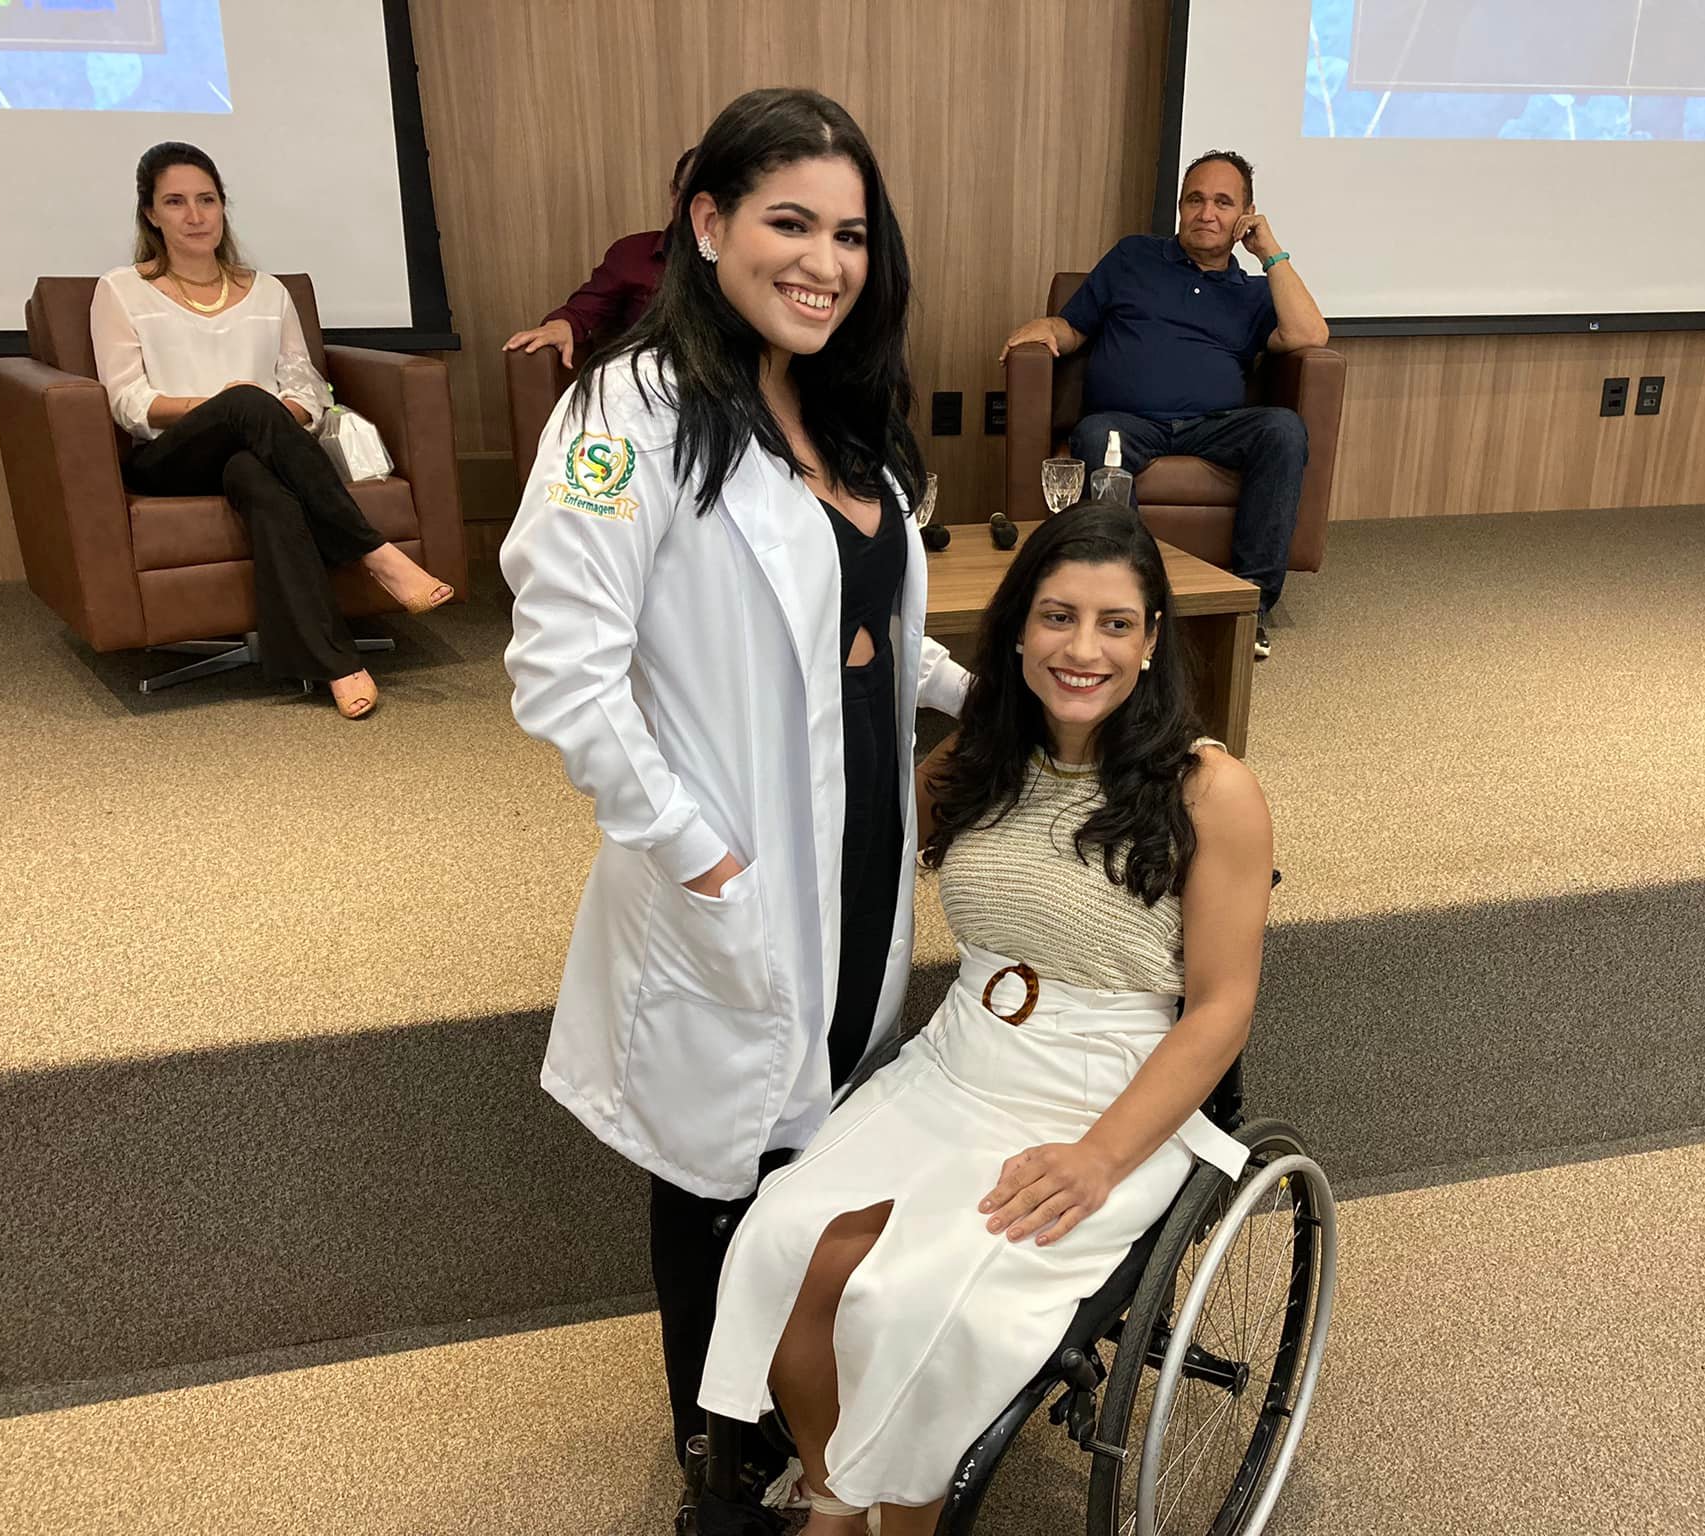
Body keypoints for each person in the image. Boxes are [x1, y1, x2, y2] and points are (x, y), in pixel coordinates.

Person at [498, 88, 969, 1476]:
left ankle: (803, 1430)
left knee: (822, 1147)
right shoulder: (625, 411)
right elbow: (561, 670)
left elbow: (871, 626)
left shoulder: (841, 406)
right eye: (789, 224)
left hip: (862, 836)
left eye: (850, 235)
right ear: (706, 224)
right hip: (732, 858)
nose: (825, 263)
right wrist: (698, 855)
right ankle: (715, 1461)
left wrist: (987, 696)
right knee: (720, 1178)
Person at [698, 503, 1278, 1535]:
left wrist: (1099, 1157)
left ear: (1151, 641)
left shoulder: (1209, 789)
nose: (1082, 649)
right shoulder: (979, 755)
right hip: (960, 1057)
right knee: (787, 1244)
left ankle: (901, 1522)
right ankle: (836, 1499)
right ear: (1016, 630)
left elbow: (1222, 1007)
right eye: (1058, 617)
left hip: (1105, 1086)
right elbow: (852, 839)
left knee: (911, 1303)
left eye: (1114, 623)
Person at [91, 141, 453, 718]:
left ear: (223, 206)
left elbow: (306, 387)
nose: (194, 215)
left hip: (257, 450)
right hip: (169, 458)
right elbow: (127, 400)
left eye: (207, 200)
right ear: (151, 214)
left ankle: (335, 664)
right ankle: (373, 551)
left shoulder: (267, 291)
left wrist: (269, 415)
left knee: (260, 482)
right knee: (244, 401)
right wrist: (225, 407)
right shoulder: (121, 289)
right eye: (176, 202)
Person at [999, 149, 1330, 660]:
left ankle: (1250, 604)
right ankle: (1133, 598)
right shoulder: (1133, 257)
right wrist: (1048, 329)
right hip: (1127, 424)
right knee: (1094, 435)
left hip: (1215, 425)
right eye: (1195, 199)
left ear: (1245, 215)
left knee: (1283, 429)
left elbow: (1310, 334)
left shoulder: (1254, 292)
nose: (1206, 213)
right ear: (1180, 206)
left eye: (1223, 203)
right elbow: (1074, 327)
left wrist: (1270, 252)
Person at [502, 147, 697, 370]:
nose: (704, 209)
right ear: (674, 194)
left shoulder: (730, 263)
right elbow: (582, 311)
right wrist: (563, 324)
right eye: (693, 194)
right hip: (650, 378)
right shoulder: (632, 254)